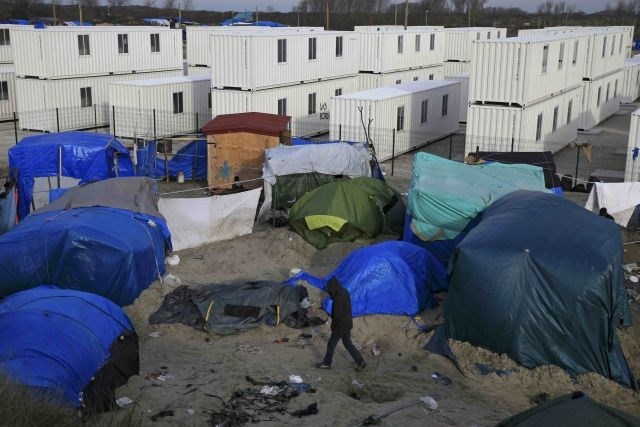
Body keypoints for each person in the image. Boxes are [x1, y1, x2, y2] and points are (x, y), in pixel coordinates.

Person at [318, 277, 366, 371]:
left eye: (329, 289)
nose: (329, 291)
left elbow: (338, 314)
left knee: (331, 344)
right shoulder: (344, 291)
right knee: (348, 343)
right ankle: (360, 361)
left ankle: (327, 363)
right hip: (347, 323)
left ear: (333, 287)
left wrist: (333, 325)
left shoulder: (338, 298)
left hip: (340, 325)